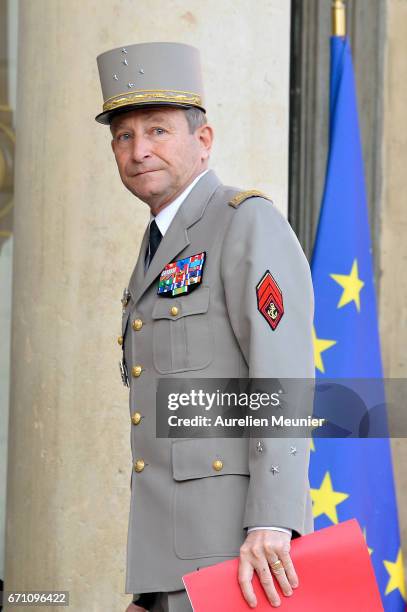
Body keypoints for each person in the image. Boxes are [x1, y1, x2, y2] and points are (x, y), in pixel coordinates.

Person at [95, 42, 314, 612]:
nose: (139, 150)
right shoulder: (157, 248)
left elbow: (283, 379)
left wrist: (273, 520)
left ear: (204, 140)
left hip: (241, 561)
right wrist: (150, 587)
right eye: (123, 136)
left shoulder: (246, 224)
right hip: (175, 569)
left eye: (158, 130)